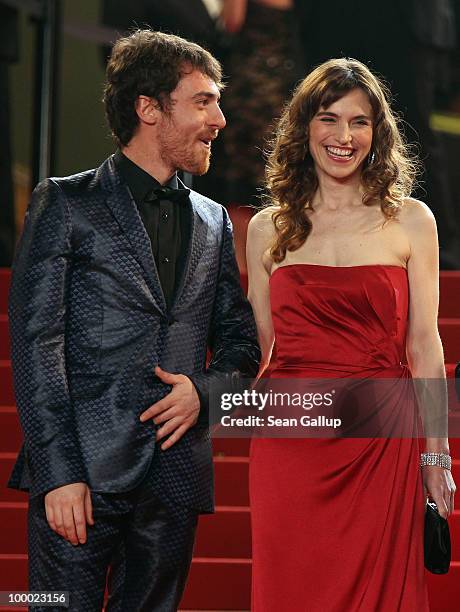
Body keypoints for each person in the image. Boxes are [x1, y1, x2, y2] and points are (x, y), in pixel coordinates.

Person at [8, 29, 260, 611]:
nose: (219, 119)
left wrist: (204, 390)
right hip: (82, 475)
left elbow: (241, 343)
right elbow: (36, 346)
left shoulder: (213, 220)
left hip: (173, 477)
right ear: (149, 108)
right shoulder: (66, 204)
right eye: (203, 101)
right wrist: (58, 472)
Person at [246, 58, 455, 610]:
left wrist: (437, 456)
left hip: (382, 440)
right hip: (291, 443)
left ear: (377, 133)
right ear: (304, 128)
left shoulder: (411, 220)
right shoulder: (268, 227)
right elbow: (261, 351)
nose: (343, 136)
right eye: (329, 118)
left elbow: (424, 345)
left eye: (359, 122)